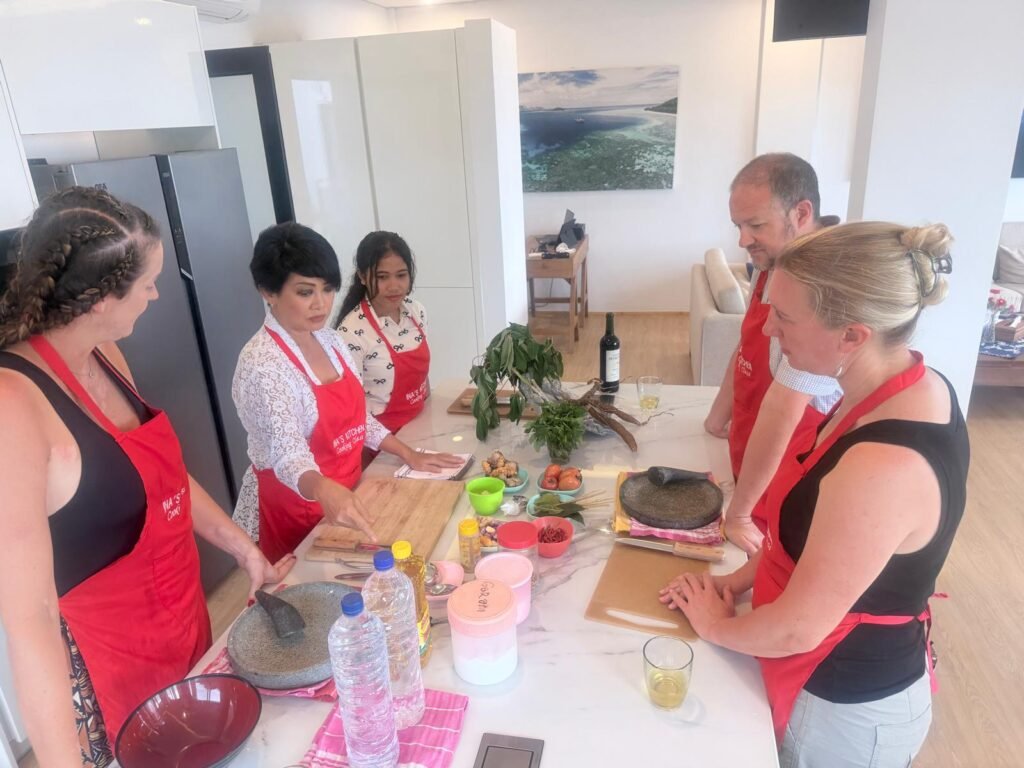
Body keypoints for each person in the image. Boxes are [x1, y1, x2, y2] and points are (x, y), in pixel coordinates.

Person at [0, 187, 293, 766]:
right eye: (148, 282)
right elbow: (28, 620)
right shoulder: (13, 405)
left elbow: (163, 478)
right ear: (97, 299)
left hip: (182, 624)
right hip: (111, 669)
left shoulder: (106, 353)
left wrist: (244, 550)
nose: (159, 293)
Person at [662, 222, 967, 767]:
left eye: (785, 317)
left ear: (852, 335)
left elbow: (798, 628)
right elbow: (817, 549)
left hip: (842, 712)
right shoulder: (903, 387)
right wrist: (735, 582)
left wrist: (715, 625)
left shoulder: (883, 466)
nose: (770, 331)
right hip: (818, 675)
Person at [232, 223, 462, 563]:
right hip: (298, 510)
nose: (321, 304)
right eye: (305, 292)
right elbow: (287, 455)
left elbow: (358, 419)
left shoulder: (329, 340)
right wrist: (325, 489)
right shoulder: (263, 364)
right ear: (268, 291)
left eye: (327, 290)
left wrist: (407, 453)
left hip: (351, 490)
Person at [703, 153, 843, 553]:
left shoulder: (822, 285)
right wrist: (718, 418)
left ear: (801, 212)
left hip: (778, 489)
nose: (743, 240)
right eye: (738, 226)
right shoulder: (773, 261)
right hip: (746, 468)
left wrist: (741, 514)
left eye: (756, 225)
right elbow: (748, 349)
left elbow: (785, 407)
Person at [336, 231, 429, 436]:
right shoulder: (350, 333)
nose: (394, 286)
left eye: (401, 275)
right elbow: (353, 411)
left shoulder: (416, 311)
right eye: (382, 277)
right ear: (362, 276)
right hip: (380, 442)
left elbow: (422, 380)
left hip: (420, 426)